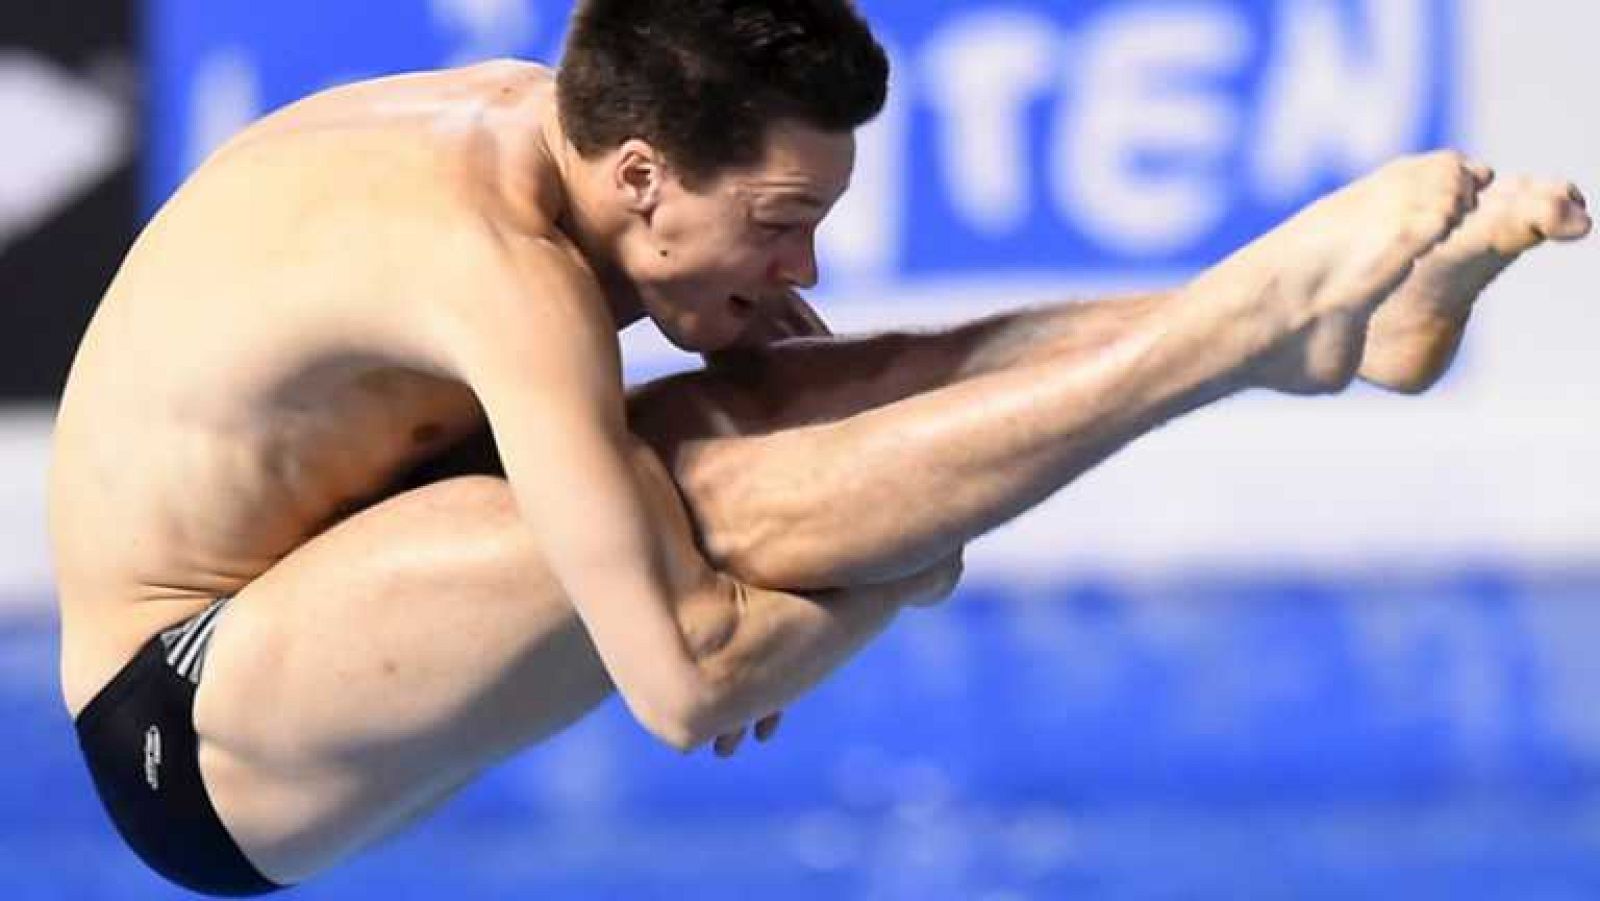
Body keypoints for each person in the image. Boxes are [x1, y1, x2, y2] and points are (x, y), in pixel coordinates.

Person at [48, 0, 1590, 895]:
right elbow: (685, 686)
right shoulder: (492, 268)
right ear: (643, 175)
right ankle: (1248, 324)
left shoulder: (570, 148)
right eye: (782, 224)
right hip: (189, 720)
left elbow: (846, 398)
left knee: (776, 423)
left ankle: (1309, 335)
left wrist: (875, 506)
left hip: (345, 561)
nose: (799, 265)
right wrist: (897, 575)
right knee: (696, 508)